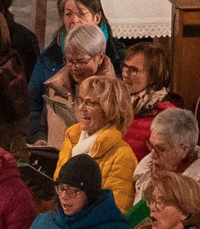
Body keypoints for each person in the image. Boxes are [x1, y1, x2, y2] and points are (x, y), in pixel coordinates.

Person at [59, 74, 140, 208]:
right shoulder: (71, 139)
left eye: (91, 103)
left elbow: (115, 211)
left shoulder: (123, 156)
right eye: (81, 100)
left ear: (110, 110)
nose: (81, 108)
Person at [33, 24, 117, 145]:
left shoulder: (111, 94)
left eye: (82, 61)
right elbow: (43, 127)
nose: (74, 67)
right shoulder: (56, 87)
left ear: (100, 57)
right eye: (70, 61)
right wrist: (41, 140)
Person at [33, 0, 120, 95]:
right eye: (68, 14)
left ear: (97, 18)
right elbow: (34, 101)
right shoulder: (49, 56)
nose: (74, 20)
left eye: (81, 14)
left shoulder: (116, 54)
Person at [118, 41, 185, 156]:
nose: (125, 74)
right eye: (125, 67)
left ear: (153, 76)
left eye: (133, 70)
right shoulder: (118, 103)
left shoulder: (167, 116)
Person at [136, 107, 200, 202]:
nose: (152, 155)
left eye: (161, 149)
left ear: (183, 150)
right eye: (152, 146)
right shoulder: (146, 173)